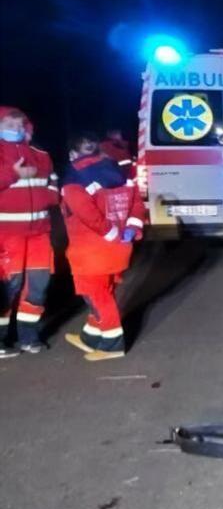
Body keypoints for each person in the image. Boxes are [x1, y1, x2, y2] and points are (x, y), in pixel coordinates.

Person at [60, 132, 145, 360]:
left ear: (73, 154)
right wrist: (131, 228)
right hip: (119, 248)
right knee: (105, 292)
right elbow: (137, 204)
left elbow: (88, 215)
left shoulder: (74, 179)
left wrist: (111, 234)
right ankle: (90, 337)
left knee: (97, 297)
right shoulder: (120, 173)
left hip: (91, 251)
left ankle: (112, 345)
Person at [0, 106, 57, 358]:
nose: (16, 130)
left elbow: (52, 180)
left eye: (19, 125)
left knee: (38, 285)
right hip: (7, 233)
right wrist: (12, 173)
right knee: (7, 287)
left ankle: (29, 337)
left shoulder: (40, 154)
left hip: (39, 232)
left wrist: (51, 197)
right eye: (9, 125)